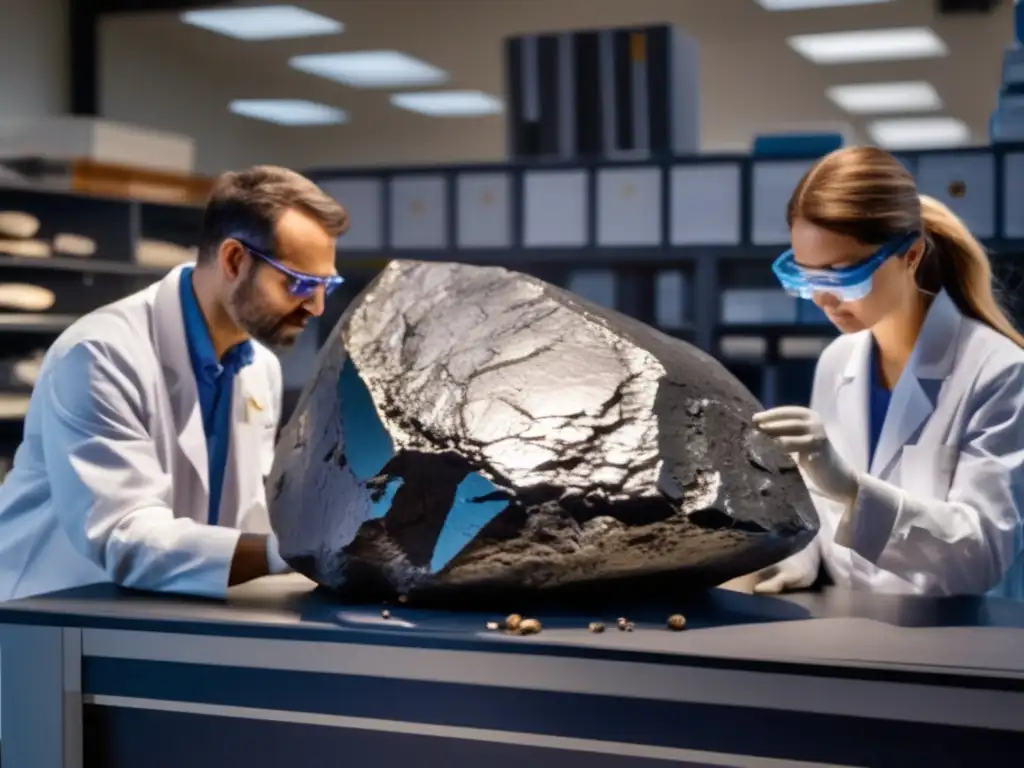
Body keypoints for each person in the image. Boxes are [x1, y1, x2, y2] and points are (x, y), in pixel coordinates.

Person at [0, 165, 349, 602]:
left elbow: (245, 519)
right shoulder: (100, 354)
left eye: (326, 286)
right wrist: (294, 550)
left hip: (167, 613)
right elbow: (125, 536)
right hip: (51, 613)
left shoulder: (259, 365)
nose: (315, 307)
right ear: (234, 261)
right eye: (299, 283)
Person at [751, 145, 1024, 599]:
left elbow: (982, 556)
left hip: (957, 643)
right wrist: (802, 559)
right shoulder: (838, 360)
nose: (824, 300)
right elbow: (823, 508)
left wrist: (854, 489)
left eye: (843, 276)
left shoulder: (998, 372)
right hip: (845, 625)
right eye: (809, 279)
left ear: (911, 255)